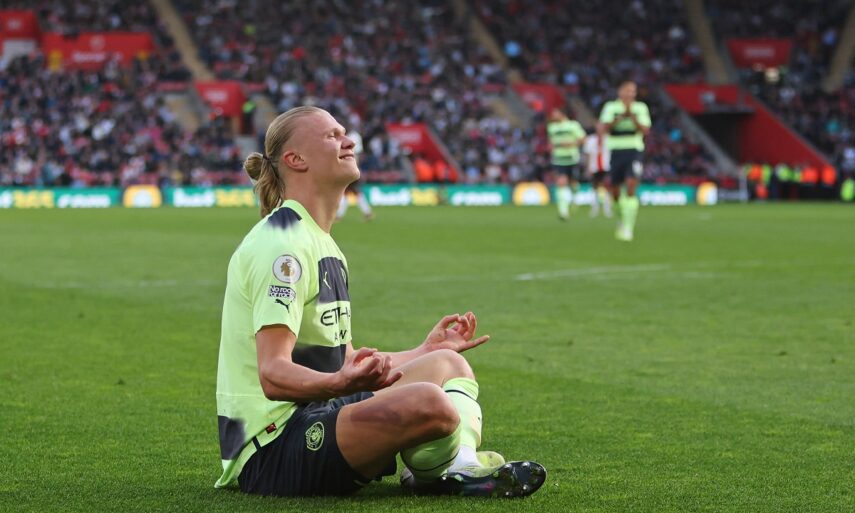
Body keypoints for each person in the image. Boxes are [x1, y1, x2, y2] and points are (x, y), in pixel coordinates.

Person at [215, 106, 546, 498]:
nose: (348, 141)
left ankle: (456, 467)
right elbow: (272, 374)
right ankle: (443, 471)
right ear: (296, 159)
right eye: (332, 135)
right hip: (273, 447)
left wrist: (424, 351)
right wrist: (338, 383)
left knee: (448, 363)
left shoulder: (322, 242)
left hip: (319, 410)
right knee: (430, 403)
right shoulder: (282, 244)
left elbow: (344, 361)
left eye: (344, 133)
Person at [597, 81, 651, 241]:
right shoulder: (610, 107)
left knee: (631, 185)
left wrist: (633, 118)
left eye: (633, 91)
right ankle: (622, 217)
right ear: (620, 92)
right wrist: (620, 118)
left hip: (634, 150)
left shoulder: (640, 108)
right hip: (615, 151)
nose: (630, 94)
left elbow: (646, 130)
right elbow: (603, 129)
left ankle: (628, 227)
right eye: (627, 90)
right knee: (615, 190)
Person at [547, 108, 587, 221]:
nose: (553, 116)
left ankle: (574, 199)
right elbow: (551, 142)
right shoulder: (552, 127)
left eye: (555, 113)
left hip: (572, 159)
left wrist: (572, 143)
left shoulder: (573, 125)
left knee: (573, 183)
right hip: (558, 159)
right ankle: (563, 211)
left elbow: (583, 139)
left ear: (562, 114)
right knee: (561, 182)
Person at [336, 125, 374, 221]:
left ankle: (339, 215)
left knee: (347, 191)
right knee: (352, 192)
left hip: (350, 168)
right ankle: (367, 212)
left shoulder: (352, 137)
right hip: (352, 167)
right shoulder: (353, 136)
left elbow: (355, 155)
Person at [581, 131, 612, 218]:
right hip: (594, 167)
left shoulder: (609, 138)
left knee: (607, 188)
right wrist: (588, 167)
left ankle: (607, 209)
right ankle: (595, 208)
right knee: (594, 188)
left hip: (606, 166)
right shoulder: (591, 139)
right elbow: (588, 154)